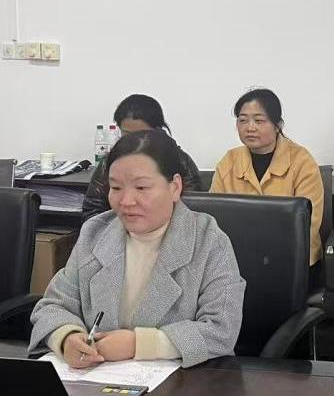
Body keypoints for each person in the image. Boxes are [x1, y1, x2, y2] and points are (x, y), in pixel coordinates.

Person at [31, 128, 245, 368]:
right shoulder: (95, 233)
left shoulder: (208, 240)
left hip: (182, 383)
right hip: (96, 379)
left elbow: (221, 331)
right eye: (116, 188)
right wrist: (67, 337)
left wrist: (139, 344)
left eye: (141, 188)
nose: (126, 201)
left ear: (174, 187)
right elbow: (53, 306)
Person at [211, 88, 324, 266]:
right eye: (242, 120)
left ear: (277, 125)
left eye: (259, 120)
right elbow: (213, 217)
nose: (250, 128)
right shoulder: (229, 161)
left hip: (292, 259)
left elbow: (308, 224)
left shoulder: (302, 161)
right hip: (238, 257)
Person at [82, 94, 204, 222]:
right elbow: (92, 209)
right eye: (127, 134)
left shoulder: (179, 160)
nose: (135, 141)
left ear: (157, 130)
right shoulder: (112, 161)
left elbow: (193, 209)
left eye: (142, 187)